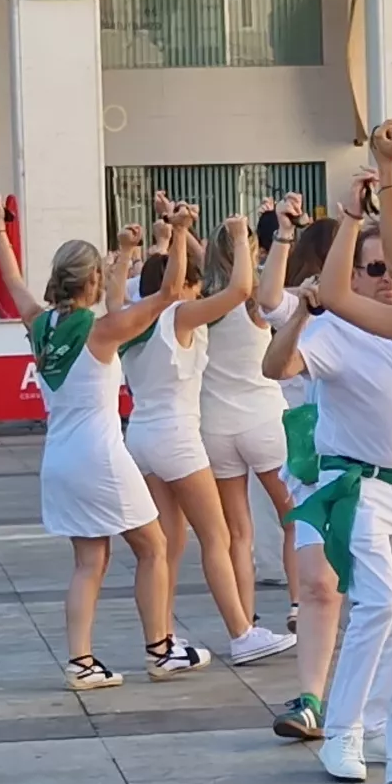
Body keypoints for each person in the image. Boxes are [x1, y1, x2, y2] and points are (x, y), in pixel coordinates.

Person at [266, 178, 392, 776]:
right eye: (374, 270)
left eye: (391, 266)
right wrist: (302, 314)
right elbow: (278, 366)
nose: (388, 278)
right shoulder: (333, 331)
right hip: (356, 486)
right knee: (380, 602)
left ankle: (372, 722)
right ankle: (341, 729)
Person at [0, 209, 198, 688]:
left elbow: (14, 280)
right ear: (94, 280)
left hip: (58, 458)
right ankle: (161, 650)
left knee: (89, 561)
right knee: (153, 548)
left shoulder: (39, 325)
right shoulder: (101, 332)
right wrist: (180, 234)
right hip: (100, 455)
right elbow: (168, 293)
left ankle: (81, 662)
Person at [117, 202, 276, 659]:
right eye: (193, 284)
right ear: (179, 287)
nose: (199, 289)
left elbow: (130, 287)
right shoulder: (179, 315)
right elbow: (243, 286)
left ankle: (161, 640)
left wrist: (152, 244)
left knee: (165, 545)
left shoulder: (130, 318)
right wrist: (242, 234)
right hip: (177, 436)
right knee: (216, 537)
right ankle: (242, 632)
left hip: (141, 436)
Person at [196, 221, 299, 664]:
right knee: (293, 516)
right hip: (263, 419)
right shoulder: (254, 302)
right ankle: (299, 607)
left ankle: (246, 623)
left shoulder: (202, 305)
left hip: (215, 424)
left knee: (238, 532)